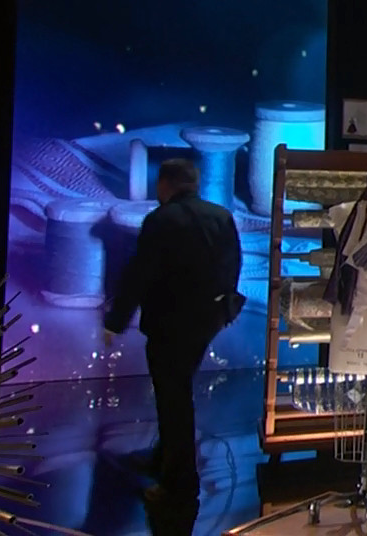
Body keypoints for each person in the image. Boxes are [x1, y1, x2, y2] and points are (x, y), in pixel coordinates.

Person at [104, 159, 242, 533]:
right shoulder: (221, 216)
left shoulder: (161, 220)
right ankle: (165, 460)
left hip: (169, 324)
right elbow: (232, 266)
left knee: (173, 401)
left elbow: (139, 275)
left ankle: (178, 486)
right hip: (206, 322)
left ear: (166, 184)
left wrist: (115, 321)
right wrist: (222, 310)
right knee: (177, 393)